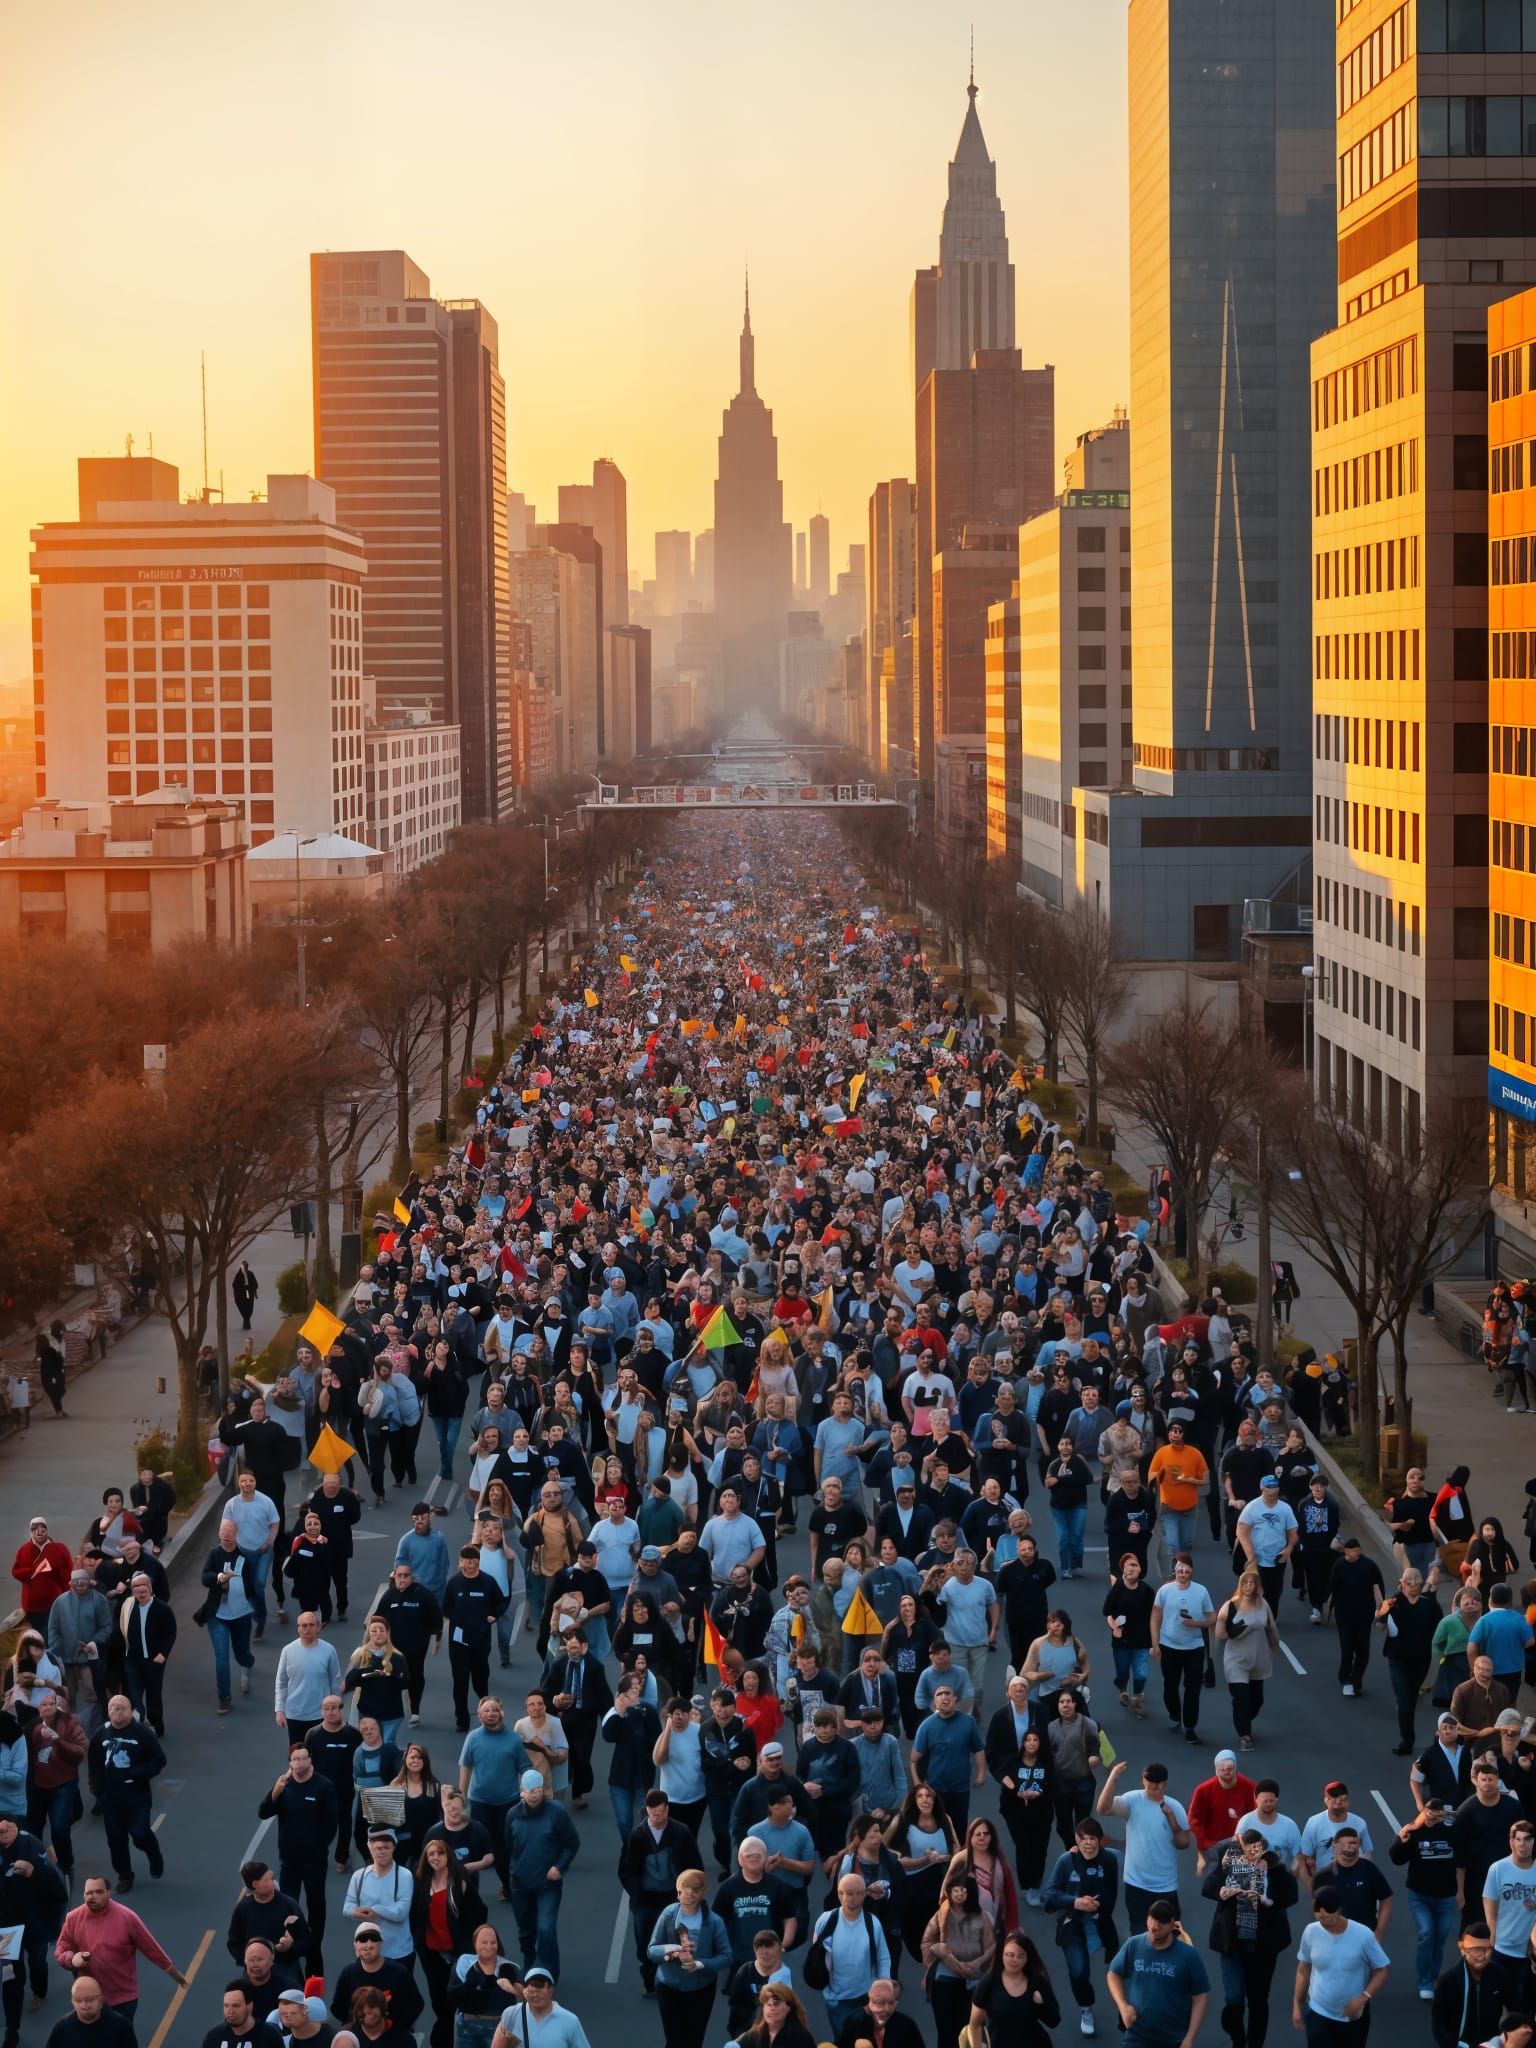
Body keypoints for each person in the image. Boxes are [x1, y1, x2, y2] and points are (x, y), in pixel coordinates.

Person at [1202, 1826, 1299, 2048]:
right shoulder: (1230, 1863)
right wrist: (1224, 1890)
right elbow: (1208, 1886)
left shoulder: (1274, 1866)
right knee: (1234, 1999)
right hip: (1232, 1944)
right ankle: (1237, 2039)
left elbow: (1291, 1894)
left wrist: (1268, 1898)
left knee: (1257, 2001)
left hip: (1263, 1946)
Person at [54, 1875, 189, 2026]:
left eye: (99, 1892)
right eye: (89, 1893)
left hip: (123, 1998)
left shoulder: (127, 1917)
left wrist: (174, 1973)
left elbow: (151, 1948)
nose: (93, 1897)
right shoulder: (73, 1918)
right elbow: (61, 1950)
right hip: (90, 1998)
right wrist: (72, 1959)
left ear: (108, 1893)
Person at [258, 1743, 340, 1969]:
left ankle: (314, 1947)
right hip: (289, 1860)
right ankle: (291, 1946)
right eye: (295, 1759)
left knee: (316, 1903)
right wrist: (275, 1793)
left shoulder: (324, 1786)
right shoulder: (284, 1786)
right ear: (289, 1762)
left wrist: (318, 1846)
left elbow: (331, 1823)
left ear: (310, 1759)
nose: (299, 1763)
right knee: (288, 1905)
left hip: (314, 1860)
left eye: (303, 1758)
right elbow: (263, 1812)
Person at [1042, 1815, 1121, 2037]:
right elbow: (1048, 1895)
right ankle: (1086, 2007)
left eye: (1092, 1838)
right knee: (1078, 1971)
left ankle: (1124, 2008)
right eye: (1083, 1838)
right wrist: (1075, 1902)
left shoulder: (1109, 1860)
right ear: (1076, 1839)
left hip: (1101, 1920)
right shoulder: (1066, 1861)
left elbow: (1111, 1895)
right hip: (1072, 1922)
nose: (1088, 1843)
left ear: (1099, 1840)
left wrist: (1096, 1905)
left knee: (1119, 1967)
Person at [1291, 1885, 1389, 2047]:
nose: (1323, 1919)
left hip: (1353, 2016)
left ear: (1339, 1910)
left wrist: (1363, 1998)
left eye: (1328, 1914)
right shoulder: (1310, 1932)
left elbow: (1382, 1970)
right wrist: (1296, 2006)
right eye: (1318, 1915)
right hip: (1318, 2011)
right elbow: (1303, 1970)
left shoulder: (1363, 1935)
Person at [644, 1867, 732, 2048]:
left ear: (703, 1892)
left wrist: (700, 1964)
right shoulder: (668, 1915)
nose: (690, 1894)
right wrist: (669, 1951)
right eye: (686, 1889)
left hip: (701, 1990)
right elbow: (652, 1950)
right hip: (669, 1986)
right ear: (678, 1892)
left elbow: (726, 1957)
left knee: (694, 2040)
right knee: (674, 2039)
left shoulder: (714, 1922)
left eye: (696, 1890)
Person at [1096, 1761, 1191, 1925]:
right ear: (1143, 1780)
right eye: (1150, 1782)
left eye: (1158, 1783)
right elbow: (1103, 1809)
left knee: (1171, 1931)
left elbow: (1183, 1844)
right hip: (1136, 1883)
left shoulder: (1175, 1807)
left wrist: (1173, 1823)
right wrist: (1112, 1778)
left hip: (1165, 1885)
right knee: (1139, 1931)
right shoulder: (1132, 1800)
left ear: (1165, 1783)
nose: (1154, 1786)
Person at [504, 1770, 578, 1982]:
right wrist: (513, 1872)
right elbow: (508, 1845)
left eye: (537, 1790)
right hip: (520, 1883)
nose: (534, 1795)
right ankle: (529, 1960)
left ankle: (548, 1970)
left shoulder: (557, 1813)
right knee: (525, 1930)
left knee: (546, 1928)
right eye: (530, 1791)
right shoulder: (513, 1815)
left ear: (543, 1790)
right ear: (522, 1792)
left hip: (548, 1884)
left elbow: (572, 1843)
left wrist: (559, 1866)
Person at [87, 1695, 165, 1892]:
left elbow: (158, 1760)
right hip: (111, 1799)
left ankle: (153, 1853)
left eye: (122, 1707)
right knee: (115, 1838)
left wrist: (137, 1774)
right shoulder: (101, 1734)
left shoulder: (142, 1733)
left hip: (137, 1797)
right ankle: (125, 1875)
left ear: (131, 1711)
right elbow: (94, 1763)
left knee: (139, 1833)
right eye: (113, 1707)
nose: (118, 1711)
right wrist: (97, 1790)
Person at [1106, 1899, 1209, 2048]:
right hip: (1137, 2035)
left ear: (1172, 1924)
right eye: (1152, 1919)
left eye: (1161, 1922)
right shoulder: (1134, 1944)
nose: (1155, 1927)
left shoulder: (1188, 1955)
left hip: (1173, 2039)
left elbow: (1200, 1997)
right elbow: (1113, 1973)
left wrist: (1189, 2039)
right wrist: (1123, 2006)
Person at [1389, 1796, 1459, 1999]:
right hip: (1419, 1895)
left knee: (1439, 1940)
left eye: (1435, 1813)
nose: (1430, 1816)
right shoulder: (1414, 1831)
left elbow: (1464, 1854)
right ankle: (1425, 1982)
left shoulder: (1451, 1831)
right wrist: (1400, 1841)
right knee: (1427, 1933)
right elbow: (1396, 1858)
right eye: (1427, 1811)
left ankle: (1433, 1976)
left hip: (1446, 1896)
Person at [920, 1868, 995, 2048]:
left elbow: (991, 1945)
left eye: (963, 1890)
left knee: (969, 2028)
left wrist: (976, 1963)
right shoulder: (940, 1915)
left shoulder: (982, 1916)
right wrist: (935, 1958)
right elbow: (927, 1941)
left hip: (974, 1979)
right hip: (945, 1977)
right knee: (946, 2029)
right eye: (956, 1890)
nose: (960, 1894)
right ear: (949, 1892)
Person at [1150, 1556, 1216, 1745]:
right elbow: (1155, 1616)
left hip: (1194, 1647)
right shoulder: (1165, 1591)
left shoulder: (1201, 1591)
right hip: (1169, 1646)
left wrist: (1197, 1623)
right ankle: (1174, 1713)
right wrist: (1155, 1643)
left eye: (1186, 1571)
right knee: (1170, 1685)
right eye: (1180, 1571)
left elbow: (1212, 1617)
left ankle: (1190, 1726)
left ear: (1192, 1572)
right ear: (1175, 1571)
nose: (1183, 1574)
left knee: (1193, 1689)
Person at [1379, 1566, 1444, 1756]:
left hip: (1420, 1659)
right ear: (1402, 1583)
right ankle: (1407, 1740)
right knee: (1404, 1698)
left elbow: (1439, 1628)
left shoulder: (1429, 1605)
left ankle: (1407, 1728)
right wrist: (1381, 1612)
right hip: (1397, 1658)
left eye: (1415, 1582)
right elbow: (1379, 1625)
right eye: (1408, 1582)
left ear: (1420, 1584)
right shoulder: (1394, 1602)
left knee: (1411, 1698)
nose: (1411, 1586)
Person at [1214, 1570, 1279, 1752]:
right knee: (1242, 1698)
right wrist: (1239, 1630)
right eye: (1245, 1583)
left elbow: (1271, 1628)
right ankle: (1245, 1735)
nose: (1249, 1586)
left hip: (1259, 1658)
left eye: (1253, 1583)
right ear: (1240, 1586)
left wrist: (1274, 1647)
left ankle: (1243, 1718)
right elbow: (1221, 1633)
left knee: (1256, 1701)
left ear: (1258, 1587)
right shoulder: (1230, 1606)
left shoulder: (1263, 1605)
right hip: (1236, 1659)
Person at [967, 1927, 1062, 2048]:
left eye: (1020, 1956)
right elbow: (975, 2025)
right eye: (1010, 1954)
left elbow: (1054, 2021)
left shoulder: (1036, 1981)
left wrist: (1041, 2003)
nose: (1014, 1960)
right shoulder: (989, 1982)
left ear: (1027, 1959)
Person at [911, 1682, 986, 1833]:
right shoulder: (927, 1726)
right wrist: (919, 1786)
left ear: (955, 1698)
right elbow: (913, 1760)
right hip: (936, 1789)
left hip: (961, 1788)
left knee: (960, 1829)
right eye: (939, 1694)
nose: (944, 1697)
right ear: (934, 1702)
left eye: (947, 1694)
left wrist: (981, 1772)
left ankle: (958, 1857)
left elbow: (978, 1749)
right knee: (938, 1830)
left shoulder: (968, 1722)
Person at [1430, 1923, 1514, 2048]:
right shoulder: (1447, 1982)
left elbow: (1516, 2009)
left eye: (1487, 1949)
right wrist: (1451, 2044)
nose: (1482, 1955)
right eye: (1476, 1950)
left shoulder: (1500, 1975)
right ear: (1463, 1950)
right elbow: (1438, 2022)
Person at [341, 1832, 415, 1967]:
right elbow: (347, 1908)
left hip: (399, 1952)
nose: (382, 1852)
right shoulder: (359, 1876)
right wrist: (355, 1912)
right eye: (378, 1848)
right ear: (370, 1849)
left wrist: (374, 1910)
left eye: (386, 1848)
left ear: (393, 1848)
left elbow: (401, 1913)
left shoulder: (404, 1875)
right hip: (368, 1953)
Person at [489, 1966, 590, 2048]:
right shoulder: (511, 2014)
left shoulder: (570, 2021)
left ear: (550, 1990)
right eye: (532, 1991)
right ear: (525, 1991)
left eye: (540, 1990)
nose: (536, 1995)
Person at [42, 1977, 136, 2048]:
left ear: (101, 2000)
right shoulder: (61, 2029)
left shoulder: (122, 2026)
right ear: (73, 2002)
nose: (84, 2005)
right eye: (79, 2000)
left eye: (90, 2000)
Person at [731, 1979, 818, 2048]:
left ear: (789, 2007)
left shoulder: (802, 2038)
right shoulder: (754, 2035)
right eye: (767, 2003)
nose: (771, 2008)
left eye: (776, 2003)